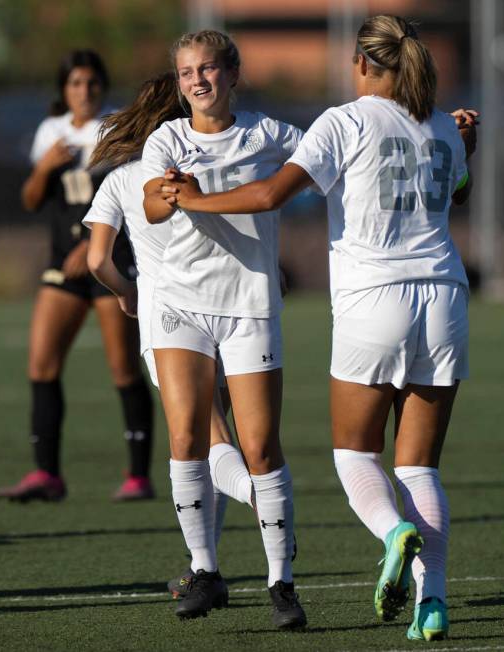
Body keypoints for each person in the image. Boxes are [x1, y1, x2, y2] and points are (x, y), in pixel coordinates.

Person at [160, 15, 478, 642]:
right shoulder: (443, 123)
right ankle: (432, 599)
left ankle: (393, 534)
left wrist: (192, 200)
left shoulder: (346, 120)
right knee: (419, 468)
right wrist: (470, 139)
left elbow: (271, 196)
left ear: (361, 63)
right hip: (445, 297)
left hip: (373, 300)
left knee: (356, 454)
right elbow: (458, 193)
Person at [141, 30, 307, 626]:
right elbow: (153, 205)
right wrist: (166, 193)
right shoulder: (167, 138)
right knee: (187, 439)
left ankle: (282, 584)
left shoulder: (270, 135)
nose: (198, 81)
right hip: (181, 305)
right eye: (187, 72)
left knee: (260, 448)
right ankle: (205, 570)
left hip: (248, 306)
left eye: (209, 69)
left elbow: (330, 161)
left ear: (233, 74)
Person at [83, 72, 256, 602]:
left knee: (210, 440)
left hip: (171, 324)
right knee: (213, 438)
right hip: (232, 311)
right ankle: (207, 566)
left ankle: (270, 507)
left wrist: (125, 293)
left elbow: (97, 261)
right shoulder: (209, 165)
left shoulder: (122, 179)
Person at [0, 50, 155, 503]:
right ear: (63, 90)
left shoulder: (118, 128)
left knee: (123, 368)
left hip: (109, 261)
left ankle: (138, 476)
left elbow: (129, 201)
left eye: (91, 83)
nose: (83, 91)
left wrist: (94, 246)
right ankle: (46, 473)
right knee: (41, 365)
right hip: (61, 264)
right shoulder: (51, 131)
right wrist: (44, 167)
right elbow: (30, 200)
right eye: (75, 84)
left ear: (102, 86)